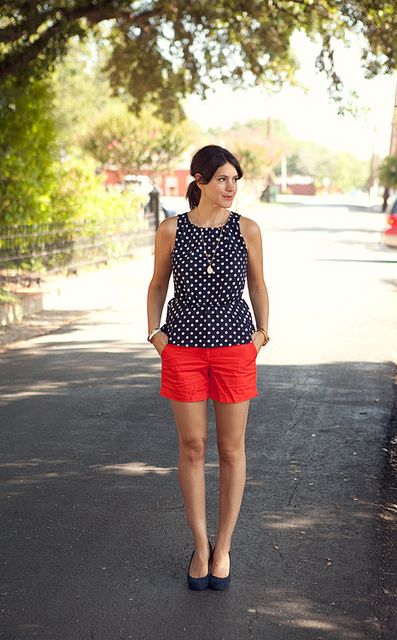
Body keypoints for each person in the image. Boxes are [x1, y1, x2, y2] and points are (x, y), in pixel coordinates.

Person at [146, 145, 269, 590]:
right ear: (199, 181)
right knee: (193, 446)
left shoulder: (248, 230)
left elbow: (257, 284)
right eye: (222, 179)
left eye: (235, 179)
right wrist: (154, 333)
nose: (231, 187)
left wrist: (261, 335)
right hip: (182, 349)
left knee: (231, 449)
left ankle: (224, 547)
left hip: (235, 348)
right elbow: (158, 283)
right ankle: (200, 546)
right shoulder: (172, 230)